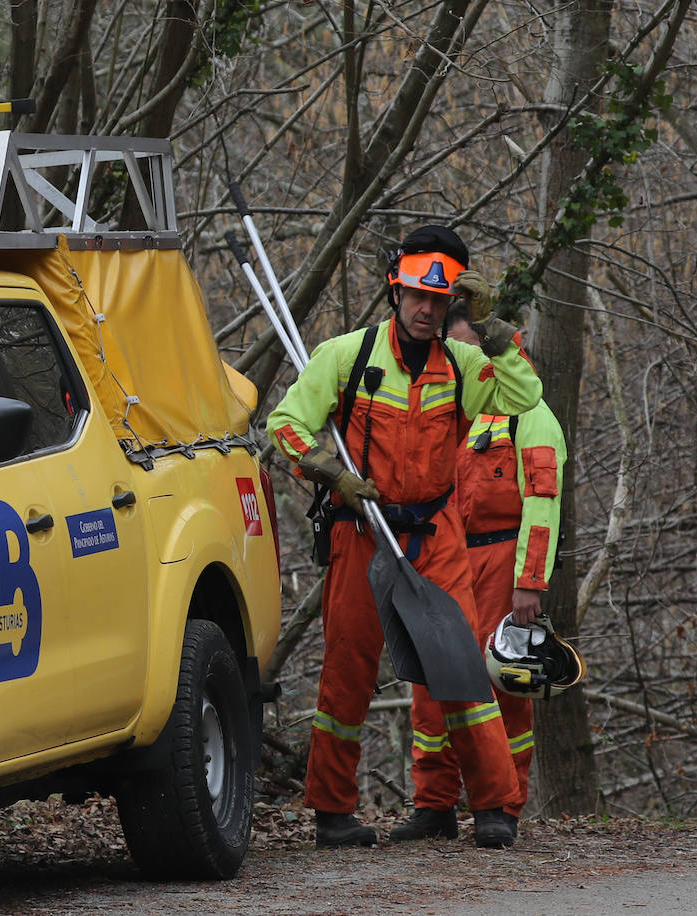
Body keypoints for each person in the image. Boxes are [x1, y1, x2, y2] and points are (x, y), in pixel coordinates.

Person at [266, 225, 540, 849]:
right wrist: (330, 469)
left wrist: (493, 328)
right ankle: (333, 812)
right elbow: (284, 425)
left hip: (438, 533)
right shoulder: (347, 357)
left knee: (460, 667)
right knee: (348, 671)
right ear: (396, 292)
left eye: (440, 302)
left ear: (453, 306)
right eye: (417, 296)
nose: (426, 310)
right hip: (361, 531)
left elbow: (525, 395)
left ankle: (495, 808)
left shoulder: (468, 362)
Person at [389, 303, 566, 842]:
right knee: (430, 681)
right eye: (456, 351)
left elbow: (542, 505)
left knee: (501, 681)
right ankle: (434, 804)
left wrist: (528, 583)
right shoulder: (455, 408)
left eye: (473, 351)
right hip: (442, 556)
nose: (463, 360)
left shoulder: (529, 414)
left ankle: (502, 808)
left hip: (500, 562)